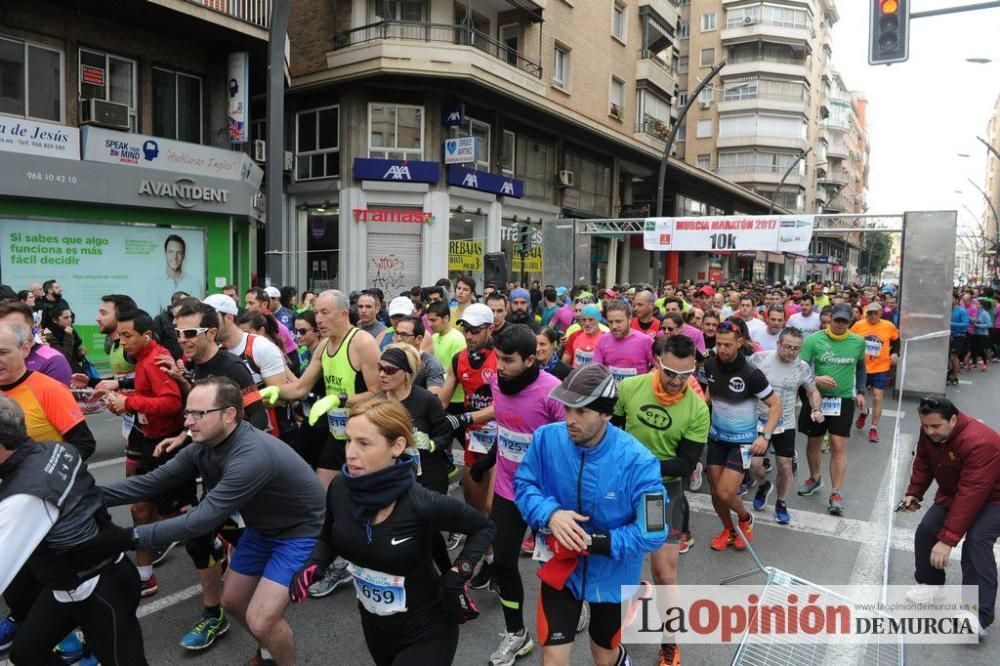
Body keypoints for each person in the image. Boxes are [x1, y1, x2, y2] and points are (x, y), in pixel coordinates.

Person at [96, 378, 324, 666]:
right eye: (187, 413)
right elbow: (150, 484)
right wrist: (86, 495)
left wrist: (127, 538)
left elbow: (201, 520)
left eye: (198, 414)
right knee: (233, 602)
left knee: (261, 619)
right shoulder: (204, 445)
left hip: (298, 532)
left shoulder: (251, 455)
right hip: (263, 528)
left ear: (229, 415)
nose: (188, 422)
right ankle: (268, 653)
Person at [289, 397, 496, 665]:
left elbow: (484, 526)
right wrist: (313, 564)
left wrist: (459, 573)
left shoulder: (420, 501)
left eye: (364, 443)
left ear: (397, 446)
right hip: (375, 628)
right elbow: (328, 537)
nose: (350, 452)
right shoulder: (339, 489)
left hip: (427, 629)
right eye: (348, 440)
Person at [514, 364, 668, 666]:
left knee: (604, 658)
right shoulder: (546, 438)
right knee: (553, 659)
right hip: (561, 570)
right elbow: (524, 485)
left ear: (607, 414)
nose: (569, 419)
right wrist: (551, 514)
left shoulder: (640, 462)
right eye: (567, 408)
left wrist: (597, 542)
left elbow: (655, 529)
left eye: (581, 412)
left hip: (611, 577)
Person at [0, 397, 148, 666]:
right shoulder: (51, 449)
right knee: (26, 654)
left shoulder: (25, 497)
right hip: (76, 583)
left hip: (99, 587)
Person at [462, 325, 565, 665]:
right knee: (504, 562)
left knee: (557, 566)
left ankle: (571, 609)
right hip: (509, 490)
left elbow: (569, 445)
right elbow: (506, 430)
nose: (500, 367)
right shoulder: (497, 383)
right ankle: (517, 633)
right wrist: (487, 463)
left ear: (531, 359)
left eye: (508, 360)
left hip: (545, 495)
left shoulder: (552, 391)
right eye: (498, 358)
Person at [0, 322, 98, 653]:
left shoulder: (47, 388)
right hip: (9, 505)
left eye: (2, 352)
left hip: (48, 507)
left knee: (60, 581)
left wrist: (46, 470)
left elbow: (84, 443)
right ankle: (41, 635)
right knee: (16, 585)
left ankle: (85, 640)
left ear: (25, 350)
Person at [612, 335, 709, 665]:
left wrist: (641, 465)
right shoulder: (629, 388)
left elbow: (685, 464)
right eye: (670, 372)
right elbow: (612, 431)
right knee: (620, 559)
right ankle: (629, 600)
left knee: (664, 572)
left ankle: (670, 639)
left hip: (662, 492)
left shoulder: (696, 407)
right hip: (623, 487)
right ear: (657, 362)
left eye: (685, 375)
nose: (676, 381)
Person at [97, 309, 186, 597]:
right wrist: (123, 395)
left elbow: (171, 404)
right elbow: (145, 389)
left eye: (127, 336)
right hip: (149, 441)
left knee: (171, 515)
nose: (122, 342)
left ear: (146, 335)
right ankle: (145, 576)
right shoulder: (145, 359)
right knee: (139, 508)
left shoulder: (156, 360)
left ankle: (212, 540)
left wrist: (130, 404)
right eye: (120, 335)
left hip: (167, 444)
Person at [259, 289, 380, 489]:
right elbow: (300, 388)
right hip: (337, 435)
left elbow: (378, 395)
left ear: (343, 314)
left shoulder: (362, 342)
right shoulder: (324, 346)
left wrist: (339, 399)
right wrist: (273, 392)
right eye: (316, 313)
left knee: (363, 501)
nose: (319, 319)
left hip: (364, 436)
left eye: (325, 313)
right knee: (323, 496)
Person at [902, 397, 1000, 636]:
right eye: (925, 426)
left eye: (935, 426)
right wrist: (914, 492)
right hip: (956, 491)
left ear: (954, 419)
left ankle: (977, 614)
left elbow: (972, 494)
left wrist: (947, 540)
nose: (929, 431)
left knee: (976, 542)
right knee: (926, 531)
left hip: (994, 498)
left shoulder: (981, 442)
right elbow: (923, 462)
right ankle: (931, 584)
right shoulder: (931, 429)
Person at [703, 321, 781, 552]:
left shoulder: (751, 374)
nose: (722, 349)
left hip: (743, 442)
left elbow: (775, 406)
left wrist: (765, 437)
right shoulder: (709, 365)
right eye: (719, 344)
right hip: (716, 438)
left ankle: (745, 518)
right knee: (716, 492)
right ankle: (728, 529)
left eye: (727, 345)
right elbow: (710, 394)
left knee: (726, 491)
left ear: (739, 343)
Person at [747, 328, 823, 525]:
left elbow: (813, 391)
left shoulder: (802, 367)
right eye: (788, 347)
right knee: (754, 466)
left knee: (785, 465)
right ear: (778, 344)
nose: (791, 352)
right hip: (758, 421)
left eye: (796, 349)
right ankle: (763, 486)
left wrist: (816, 409)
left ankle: (781, 502)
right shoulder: (758, 359)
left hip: (785, 423)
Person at [797, 303, 867, 515]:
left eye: (844, 321)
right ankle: (815, 478)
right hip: (816, 398)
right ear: (830, 318)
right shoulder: (813, 340)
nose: (840, 324)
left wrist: (861, 391)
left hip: (843, 400)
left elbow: (862, 367)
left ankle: (836, 492)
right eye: (837, 320)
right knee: (814, 441)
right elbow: (800, 368)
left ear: (849, 322)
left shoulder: (858, 342)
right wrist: (816, 378)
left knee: (838, 445)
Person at [204, 294, 299, 442]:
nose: (207, 325)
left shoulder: (259, 346)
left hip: (275, 435)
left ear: (229, 318)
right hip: (239, 435)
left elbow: (281, 397)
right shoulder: (219, 351)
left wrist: (239, 405)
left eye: (211, 319)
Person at [438, 304, 498, 527]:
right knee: (474, 504)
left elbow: (505, 406)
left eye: (475, 330)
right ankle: (488, 555)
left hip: (501, 438)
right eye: (466, 330)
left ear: (490, 329)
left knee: (493, 506)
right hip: (475, 438)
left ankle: (499, 557)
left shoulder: (502, 357)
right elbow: (443, 400)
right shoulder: (458, 359)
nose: (469, 336)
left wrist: (467, 418)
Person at [851, 302, 900, 443]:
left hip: (881, 367)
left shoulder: (888, 326)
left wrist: (895, 353)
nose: (872, 316)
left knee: (877, 398)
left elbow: (897, 340)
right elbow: (849, 340)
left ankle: (873, 428)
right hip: (862, 368)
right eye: (869, 313)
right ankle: (864, 412)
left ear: (880, 313)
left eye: (875, 313)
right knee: (857, 396)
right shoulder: (858, 325)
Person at [0, 301, 72, 386]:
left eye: (16, 328)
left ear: (33, 327)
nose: (8, 332)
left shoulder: (53, 361)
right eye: (2, 327)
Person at [593, 300, 654, 384]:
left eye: (618, 321)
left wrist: (645, 383)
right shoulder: (603, 340)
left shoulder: (646, 341)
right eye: (610, 322)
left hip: (636, 394)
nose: (614, 326)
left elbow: (659, 367)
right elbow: (596, 370)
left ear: (630, 319)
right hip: (612, 394)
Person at [425, 301, 468, 416]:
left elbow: (458, 373)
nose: (429, 324)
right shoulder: (433, 338)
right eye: (428, 320)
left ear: (446, 318)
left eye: (434, 320)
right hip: (437, 396)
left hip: (456, 400)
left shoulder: (457, 339)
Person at [393, 315, 446, 398]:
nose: (398, 339)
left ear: (419, 339)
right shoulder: (391, 358)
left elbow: (434, 399)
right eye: (397, 333)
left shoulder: (431, 364)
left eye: (404, 334)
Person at [148, 235, 203, 315]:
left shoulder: (194, 284)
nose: (174, 257)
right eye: (171, 252)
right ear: (165, 253)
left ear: (184, 255)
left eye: (179, 253)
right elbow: (153, 317)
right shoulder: (155, 284)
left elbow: (197, 314)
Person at [42, 306, 87, 374]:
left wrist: (80, 353)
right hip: (61, 375)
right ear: (55, 320)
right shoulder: (47, 333)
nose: (70, 320)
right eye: (66, 317)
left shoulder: (69, 330)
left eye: (70, 316)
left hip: (76, 373)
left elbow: (74, 357)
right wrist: (68, 335)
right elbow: (64, 357)